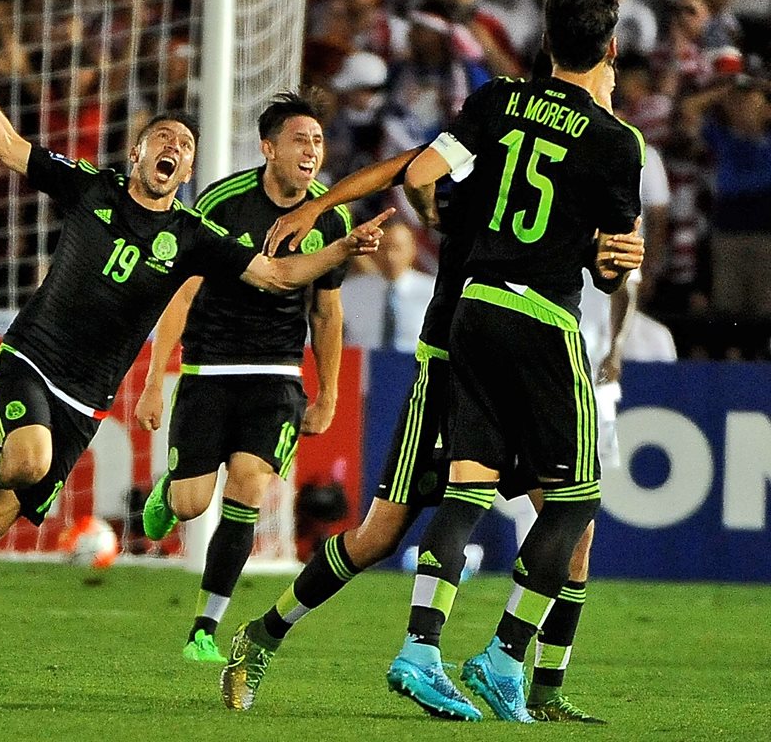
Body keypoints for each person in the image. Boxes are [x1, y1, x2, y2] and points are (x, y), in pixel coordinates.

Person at [0, 5, 392, 665]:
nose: (175, 148)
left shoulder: (194, 236)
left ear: (190, 171)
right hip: (31, 358)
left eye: (186, 146)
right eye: (163, 138)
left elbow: (281, 274)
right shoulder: (93, 189)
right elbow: (3, 142)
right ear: (136, 151)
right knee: (23, 460)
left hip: (85, 399)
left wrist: (341, 246)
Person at [226, 125, 643, 721]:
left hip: (520, 365)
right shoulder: (487, 167)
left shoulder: (553, 183)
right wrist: (337, 203)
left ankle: (545, 689)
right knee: (381, 534)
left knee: (574, 531)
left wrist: (614, 257)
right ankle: (264, 636)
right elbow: (411, 172)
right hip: (451, 364)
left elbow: (594, 259)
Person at [384, 0, 642, 722]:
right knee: (577, 499)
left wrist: (448, 231)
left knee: (469, 480)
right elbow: (611, 264)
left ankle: (420, 649)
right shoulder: (614, 140)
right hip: (540, 315)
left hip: (471, 308)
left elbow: (421, 178)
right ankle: (503, 656)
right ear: (611, 47)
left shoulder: (498, 98)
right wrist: (601, 259)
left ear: (546, 42)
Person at [133, 91, 356, 664]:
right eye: (299, 140)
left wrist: (327, 391)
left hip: (278, 373)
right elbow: (183, 288)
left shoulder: (331, 216)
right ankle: (169, 490)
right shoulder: (223, 202)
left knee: (250, 486)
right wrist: (156, 376)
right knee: (188, 505)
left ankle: (205, 627)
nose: (311, 152)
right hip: (209, 366)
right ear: (268, 148)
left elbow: (326, 311)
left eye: (318, 141)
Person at [341, 222, 435, 352]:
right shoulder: (348, 292)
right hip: (364, 367)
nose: (390, 257)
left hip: (414, 367)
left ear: (413, 249)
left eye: (397, 248)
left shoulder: (433, 292)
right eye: (383, 248)